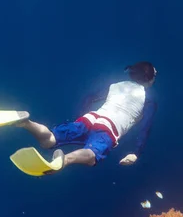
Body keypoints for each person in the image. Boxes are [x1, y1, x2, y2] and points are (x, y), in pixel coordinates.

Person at [15, 61, 157, 171]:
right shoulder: (148, 100)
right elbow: (145, 128)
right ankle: (66, 160)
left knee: (49, 140)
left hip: (89, 118)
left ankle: (27, 123)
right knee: (92, 156)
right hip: (109, 129)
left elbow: (89, 98)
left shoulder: (116, 85)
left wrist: (80, 120)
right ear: (149, 79)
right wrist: (136, 152)